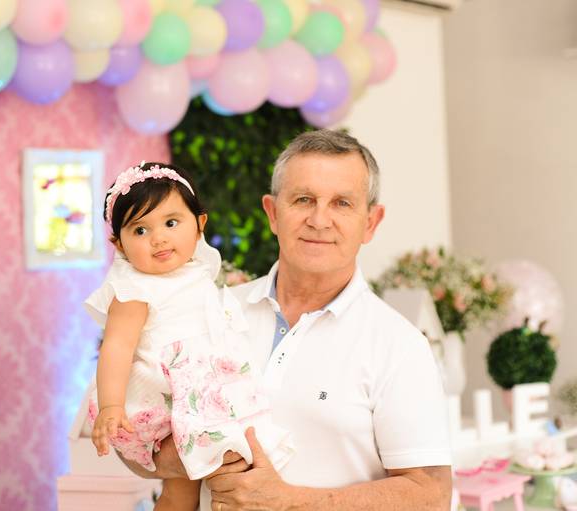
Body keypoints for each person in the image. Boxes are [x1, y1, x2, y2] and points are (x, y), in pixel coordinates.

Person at [121, 130, 453, 510]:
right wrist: (186, 456)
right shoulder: (210, 310)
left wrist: (288, 502)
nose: (319, 220)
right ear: (273, 213)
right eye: (303, 199)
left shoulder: (400, 345)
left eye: (342, 203)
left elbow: (432, 495)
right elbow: (134, 431)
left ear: (371, 223)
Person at [83, 161, 294, 510]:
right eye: (140, 230)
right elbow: (117, 346)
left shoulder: (198, 270)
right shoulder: (133, 288)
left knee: (197, 487)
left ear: (199, 225)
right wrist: (111, 405)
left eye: (171, 223)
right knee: (192, 486)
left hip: (203, 388)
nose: (159, 238)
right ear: (118, 244)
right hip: (166, 394)